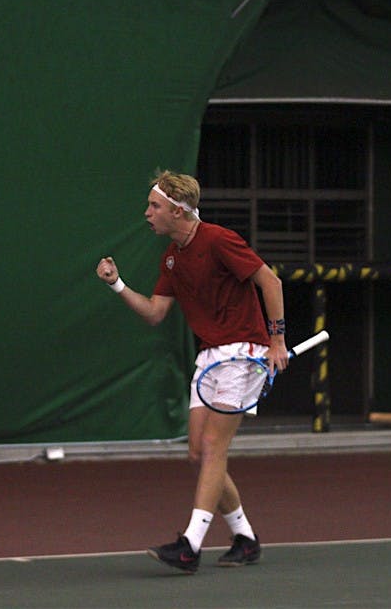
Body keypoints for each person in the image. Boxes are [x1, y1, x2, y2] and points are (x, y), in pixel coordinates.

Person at [95, 170, 288, 574]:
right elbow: (154, 312)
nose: (147, 213)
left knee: (215, 449)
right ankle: (246, 538)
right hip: (210, 357)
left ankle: (190, 545)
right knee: (200, 452)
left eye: (155, 207)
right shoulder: (171, 257)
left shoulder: (219, 240)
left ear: (179, 212)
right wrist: (117, 285)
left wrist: (276, 341)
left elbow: (269, 282)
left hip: (243, 354)